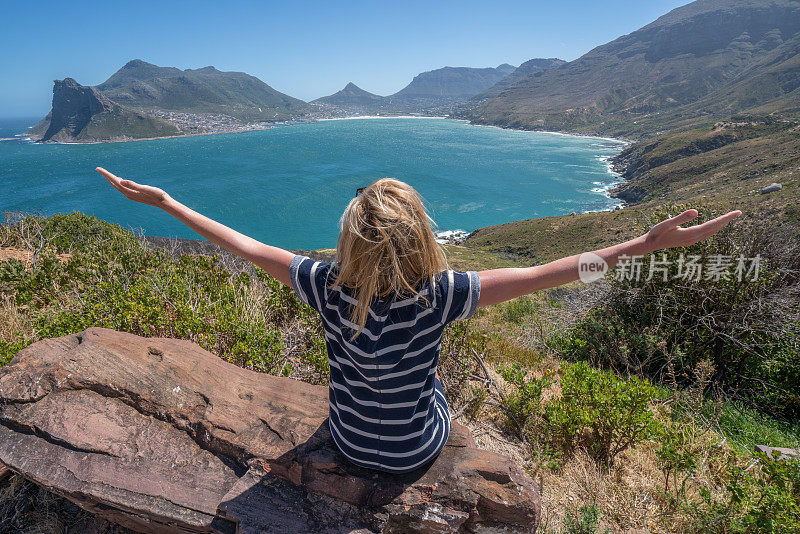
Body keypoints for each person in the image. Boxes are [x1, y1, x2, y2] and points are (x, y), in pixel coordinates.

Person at [97, 167, 740, 473]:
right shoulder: (444, 294)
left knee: (359, 387)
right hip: (413, 454)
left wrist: (167, 201)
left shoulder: (323, 285)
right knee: (434, 388)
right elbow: (560, 270)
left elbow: (244, 246)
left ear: (350, 243)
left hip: (348, 444)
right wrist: (645, 247)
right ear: (421, 240)